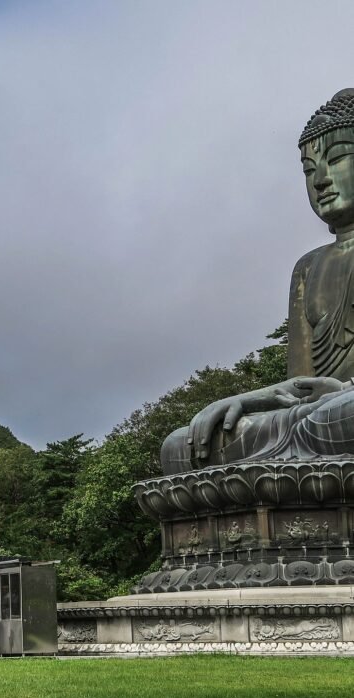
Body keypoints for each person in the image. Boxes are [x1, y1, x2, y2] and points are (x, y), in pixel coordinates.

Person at [161, 88, 354, 474]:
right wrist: (251, 400)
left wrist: (341, 393)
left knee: (338, 417)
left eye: (336, 160)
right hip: (316, 418)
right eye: (309, 170)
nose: (321, 181)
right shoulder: (308, 267)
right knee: (181, 447)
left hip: (341, 414)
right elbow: (299, 385)